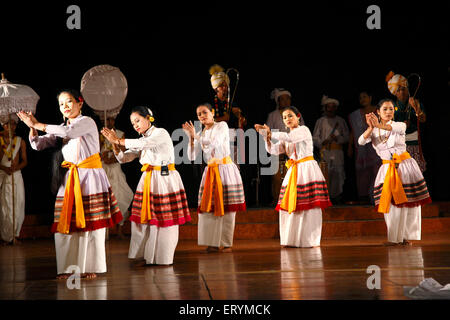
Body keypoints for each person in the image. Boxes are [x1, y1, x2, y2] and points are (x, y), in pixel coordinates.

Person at [18, 89, 123, 279]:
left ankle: (90, 267)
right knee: (66, 223)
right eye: (61, 104)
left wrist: (38, 124)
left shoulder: (86, 122)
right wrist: (32, 128)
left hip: (90, 177)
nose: (65, 107)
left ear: (80, 103)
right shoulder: (60, 127)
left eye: (69, 102)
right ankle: (68, 268)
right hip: (71, 179)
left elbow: (68, 132)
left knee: (90, 225)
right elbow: (38, 144)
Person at [101, 106, 191, 265]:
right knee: (144, 220)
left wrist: (118, 140)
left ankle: (163, 259)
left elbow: (145, 143)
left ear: (148, 118)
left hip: (164, 179)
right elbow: (124, 158)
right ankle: (148, 257)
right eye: (132, 123)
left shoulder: (160, 133)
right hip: (148, 179)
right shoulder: (142, 139)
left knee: (164, 220)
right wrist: (114, 145)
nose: (135, 125)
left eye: (137, 120)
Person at [255, 106, 332, 248]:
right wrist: (266, 138)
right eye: (284, 117)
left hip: (307, 169)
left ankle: (309, 240)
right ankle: (292, 239)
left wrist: (270, 132)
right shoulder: (285, 136)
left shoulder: (303, 130)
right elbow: (274, 150)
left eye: (290, 116)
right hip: (294, 171)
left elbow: (290, 138)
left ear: (298, 117)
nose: (287, 119)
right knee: (292, 205)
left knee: (308, 206)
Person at [358, 99, 431, 246]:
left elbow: (394, 129)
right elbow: (360, 141)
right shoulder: (374, 131)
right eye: (385, 109)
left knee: (406, 202)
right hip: (387, 169)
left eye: (391, 109)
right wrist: (371, 128)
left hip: (404, 166)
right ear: (378, 112)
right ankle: (394, 238)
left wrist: (378, 124)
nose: (389, 112)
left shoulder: (399, 125)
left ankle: (405, 237)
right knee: (391, 204)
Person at [182, 103, 246, 253]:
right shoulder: (202, 133)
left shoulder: (221, 126)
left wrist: (196, 136)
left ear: (212, 112)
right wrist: (191, 139)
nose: (202, 116)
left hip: (225, 169)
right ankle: (212, 243)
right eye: (199, 114)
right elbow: (191, 156)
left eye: (204, 112)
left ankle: (226, 243)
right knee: (209, 208)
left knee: (227, 208)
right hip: (210, 171)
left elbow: (215, 143)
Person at [266, 88, 305, 206]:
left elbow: (301, 129)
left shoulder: (295, 114)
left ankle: (294, 199)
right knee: (277, 177)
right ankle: (277, 200)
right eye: (282, 99)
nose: (285, 101)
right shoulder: (272, 115)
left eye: (287, 99)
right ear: (278, 101)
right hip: (278, 148)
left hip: (293, 148)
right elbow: (268, 132)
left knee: (295, 175)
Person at [99, 115, 134, 239]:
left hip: (115, 166)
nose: (109, 121)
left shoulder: (119, 133)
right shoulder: (99, 134)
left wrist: (112, 158)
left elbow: (123, 151)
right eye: (107, 119)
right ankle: (105, 231)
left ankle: (120, 228)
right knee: (104, 199)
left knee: (120, 195)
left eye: (111, 119)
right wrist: (103, 157)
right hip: (103, 167)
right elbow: (96, 150)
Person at [386, 71, 427, 172]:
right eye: (399, 90)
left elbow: (423, 119)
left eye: (404, 89)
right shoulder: (391, 106)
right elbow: (387, 127)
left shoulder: (415, 102)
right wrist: (401, 125)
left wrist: (416, 108)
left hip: (414, 143)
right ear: (395, 92)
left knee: (415, 173)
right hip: (398, 145)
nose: (402, 92)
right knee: (401, 174)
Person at [312, 95, 349, 204]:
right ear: (325, 108)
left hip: (337, 152)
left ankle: (337, 197)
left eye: (333, 107)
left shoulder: (340, 121)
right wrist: (323, 142)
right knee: (325, 174)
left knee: (338, 174)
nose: (331, 109)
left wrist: (337, 138)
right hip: (325, 152)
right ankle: (325, 197)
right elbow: (315, 137)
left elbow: (347, 136)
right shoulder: (321, 121)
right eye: (329, 107)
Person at [348, 91, 382, 204]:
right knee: (363, 173)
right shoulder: (355, 115)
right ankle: (364, 199)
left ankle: (378, 196)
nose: (362, 99)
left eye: (364, 97)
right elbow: (353, 132)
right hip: (362, 149)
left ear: (370, 97)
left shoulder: (379, 111)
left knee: (377, 171)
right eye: (360, 97)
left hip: (377, 147)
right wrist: (350, 146)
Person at [0, 114, 27, 244]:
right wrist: (5, 169)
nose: (11, 126)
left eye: (13, 124)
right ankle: (5, 236)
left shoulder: (20, 141)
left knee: (18, 203)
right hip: (3, 175)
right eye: (8, 124)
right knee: (5, 206)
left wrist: (15, 168)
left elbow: (25, 161)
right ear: (3, 125)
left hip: (16, 175)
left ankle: (15, 235)